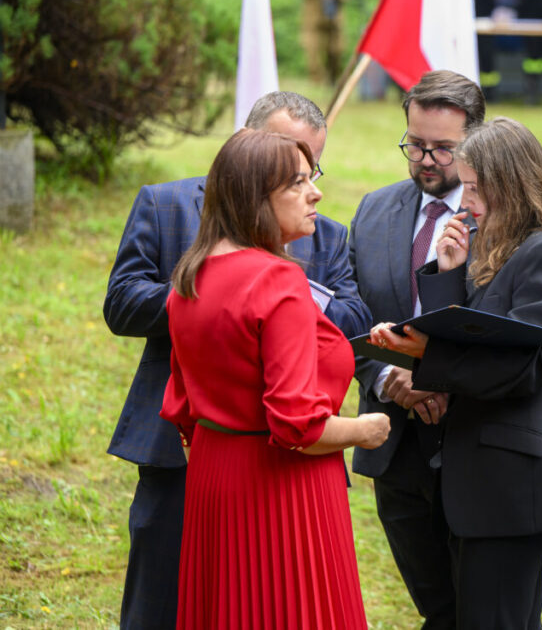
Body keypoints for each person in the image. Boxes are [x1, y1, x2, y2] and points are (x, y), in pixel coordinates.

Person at [103, 91, 370, 630]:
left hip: (276, 464)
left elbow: (353, 313)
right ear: (245, 152)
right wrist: (229, 299)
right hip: (192, 446)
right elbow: (123, 302)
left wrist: (284, 312)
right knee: (162, 603)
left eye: (312, 164)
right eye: (292, 168)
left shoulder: (326, 233)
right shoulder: (165, 205)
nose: (312, 184)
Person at [159, 128, 389, 628]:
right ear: (254, 198)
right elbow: (297, 428)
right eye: (298, 184)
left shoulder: (189, 277)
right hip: (282, 489)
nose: (316, 193)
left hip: (213, 479)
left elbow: (180, 406)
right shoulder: (276, 280)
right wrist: (365, 429)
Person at [371, 116, 542, 629]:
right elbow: (473, 334)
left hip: (511, 486)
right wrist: (449, 275)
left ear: (510, 184)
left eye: (473, 187)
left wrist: (427, 353)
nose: (466, 201)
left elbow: (529, 364)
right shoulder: (499, 250)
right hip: (478, 484)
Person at [348, 70, 485, 628]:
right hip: (394, 443)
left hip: (474, 438)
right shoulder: (373, 210)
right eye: (415, 144)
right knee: (435, 605)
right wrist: (387, 381)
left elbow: (506, 324)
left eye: (443, 149)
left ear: (474, 142)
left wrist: (442, 378)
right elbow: (347, 312)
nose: (426, 160)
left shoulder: (501, 220)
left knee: (481, 607)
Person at [288, 0, 358, 84]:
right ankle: (316, 82)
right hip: (311, 19)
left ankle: (333, 80)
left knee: (336, 50)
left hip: (334, 18)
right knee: (312, 52)